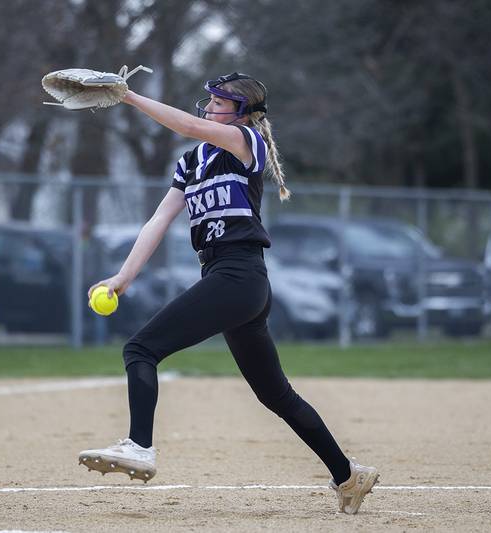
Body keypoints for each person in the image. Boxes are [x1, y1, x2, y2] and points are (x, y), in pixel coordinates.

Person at [78, 73, 379, 514]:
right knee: (276, 396)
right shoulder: (192, 162)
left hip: (240, 276)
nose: (209, 106)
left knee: (140, 348)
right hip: (229, 280)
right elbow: (158, 221)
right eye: (211, 100)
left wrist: (128, 96)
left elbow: (189, 126)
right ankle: (348, 475)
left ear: (241, 113)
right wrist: (123, 278)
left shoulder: (245, 141)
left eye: (219, 102)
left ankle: (139, 445)